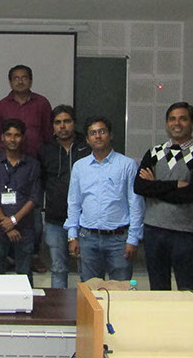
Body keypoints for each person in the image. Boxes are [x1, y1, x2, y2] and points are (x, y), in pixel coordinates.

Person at [134, 102, 193, 291]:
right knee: (158, 289)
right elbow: (140, 186)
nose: (177, 123)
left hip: (184, 234)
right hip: (154, 231)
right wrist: (174, 185)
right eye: (172, 119)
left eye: (182, 119)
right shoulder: (154, 152)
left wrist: (155, 186)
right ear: (167, 123)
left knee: (188, 288)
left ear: (192, 123)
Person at [64, 117, 145, 282]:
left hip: (119, 240)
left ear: (110, 135)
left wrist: (133, 238)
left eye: (102, 131)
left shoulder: (127, 165)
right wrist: (72, 236)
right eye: (93, 133)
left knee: (121, 291)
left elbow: (136, 204)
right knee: (90, 291)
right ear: (87, 139)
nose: (98, 136)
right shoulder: (79, 167)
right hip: (88, 239)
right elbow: (74, 203)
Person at [0, 64, 52, 273]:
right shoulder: (1, 106)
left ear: (31, 80)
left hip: (33, 166)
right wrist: (8, 155)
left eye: (24, 77)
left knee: (33, 214)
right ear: (10, 82)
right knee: (4, 206)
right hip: (6, 167)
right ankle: (7, 255)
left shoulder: (42, 103)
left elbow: (47, 134)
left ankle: (32, 255)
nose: (20, 81)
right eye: (15, 78)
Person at [38, 105, 90, 288]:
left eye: (67, 121)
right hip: (55, 219)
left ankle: (87, 304)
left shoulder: (87, 146)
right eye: (57, 122)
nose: (62, 126)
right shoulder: (45, 150)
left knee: (86, 270)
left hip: (85, 220)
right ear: (52, 125)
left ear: (74, 123)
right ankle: (58, 305)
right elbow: (41, 182)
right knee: (58, 269)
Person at [0, 119, 41, 286]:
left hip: (24, 228)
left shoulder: (33, 165)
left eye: (17, 135)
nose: (12, 139)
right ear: (2, 137)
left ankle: (25, 304)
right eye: (8, 135)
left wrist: (14, 220)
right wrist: (7, 224)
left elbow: (34, 198)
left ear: (22, 138)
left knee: (24, 275)